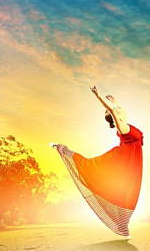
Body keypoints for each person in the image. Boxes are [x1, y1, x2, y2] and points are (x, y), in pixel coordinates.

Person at [52, 86, 143, 236]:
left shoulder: (125, 125)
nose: (118, 108)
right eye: (114, 109)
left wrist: (115, 102)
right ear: (115, 116)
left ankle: (122, 225)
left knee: (125, 190)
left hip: (127, 159)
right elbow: (115, 111)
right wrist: (98, 96)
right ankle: (66, 152)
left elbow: (118, 110)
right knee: (97, 172)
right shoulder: (123, 128)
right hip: (124, 159)